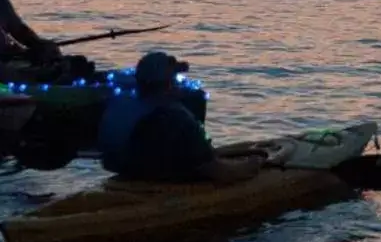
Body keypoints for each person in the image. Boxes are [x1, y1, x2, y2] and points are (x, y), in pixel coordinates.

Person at [100, 51, 262, 184]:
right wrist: (251, 165)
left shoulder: (120, 103)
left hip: (124, 173)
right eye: (176, 79)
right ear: (169, 84)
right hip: (155, 181)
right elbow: (219, 172)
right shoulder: (177, 119)